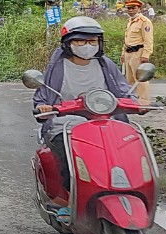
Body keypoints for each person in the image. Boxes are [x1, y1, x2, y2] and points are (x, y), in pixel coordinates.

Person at [33, 16, 132, 203]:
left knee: (129, 148)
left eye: (92, 41)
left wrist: (136, 101)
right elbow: (43, 95)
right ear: (68, 43)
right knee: (66, 153)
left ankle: (128, 189)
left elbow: (123, 89)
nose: (87, 45)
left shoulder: (105, 64)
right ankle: (69, 198)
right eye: (81, 40)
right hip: (66, 124)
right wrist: (43, 106)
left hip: (106, 122)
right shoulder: (58, 67)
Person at [120, 0, 154, 105]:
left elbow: (148, 40)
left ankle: (144, 102)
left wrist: (146, 55)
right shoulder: (130, 21)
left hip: (138, 53)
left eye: (133, 8)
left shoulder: (144, 21)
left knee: (140, 79)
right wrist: (123, 54)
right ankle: (133, 101)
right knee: (129, 79)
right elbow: (127, 39)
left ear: (139, 8)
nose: (130, 10)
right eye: (128, 8)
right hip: (128, 53)